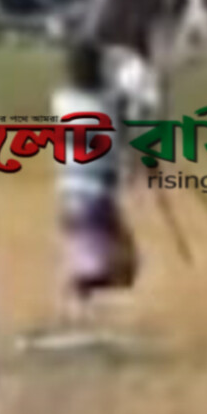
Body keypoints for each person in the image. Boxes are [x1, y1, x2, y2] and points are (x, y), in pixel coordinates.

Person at [52, 40, 140, 321]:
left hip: (69, 192)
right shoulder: (109, 102)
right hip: (96, 194)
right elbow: (128, 106)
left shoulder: (61, 101)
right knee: (124, 266)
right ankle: (77, 293)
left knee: (101, 259)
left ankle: (79, 298)